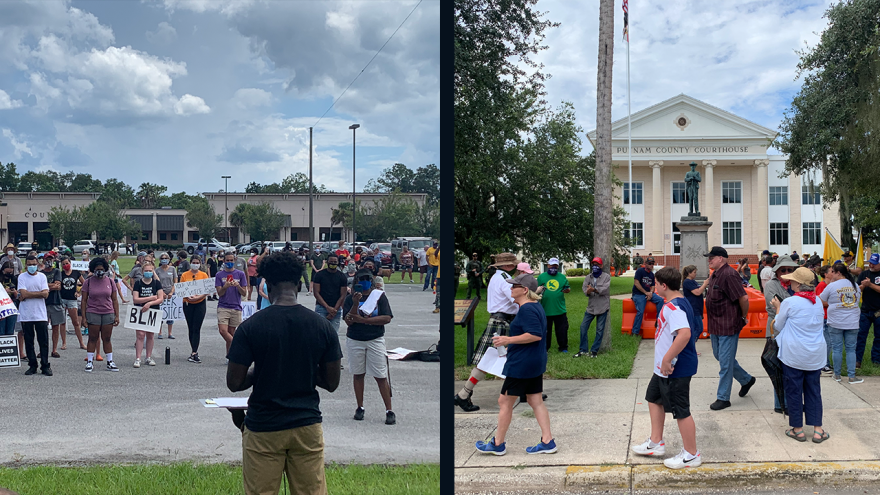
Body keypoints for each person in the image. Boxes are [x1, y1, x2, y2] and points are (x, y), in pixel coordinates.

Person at [227, 251, 342, 495]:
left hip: (264, 426)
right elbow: (332, 382)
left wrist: (264, 369)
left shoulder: (250, 327)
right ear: (300, 284)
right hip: (306, 424)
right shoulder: (322, 326)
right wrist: (305, 368)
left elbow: (235, 383)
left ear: (267, 285)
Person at [475, 272, 555, 455]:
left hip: (522, 365)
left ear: (525, 290)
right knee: (535, 400)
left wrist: (507, 340)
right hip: (534, 361)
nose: (510, 289)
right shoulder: (535, 306)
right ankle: (547, 441)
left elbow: (535, 334)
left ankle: (497, 444)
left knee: (504, 401)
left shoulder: (527, 309)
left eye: (514, 286)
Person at [631, 266, 702, 469]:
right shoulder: (675, 301)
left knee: (681, 410)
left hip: (675, 367)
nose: (653, 286)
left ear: (663, 285)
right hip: (664, 368)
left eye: (655, 283)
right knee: (653, 398)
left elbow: (685, 334)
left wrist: (667, 359)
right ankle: (655, 442)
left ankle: (691, 454)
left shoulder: (674, 307)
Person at [770, 267, 829, 443]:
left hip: (794, 354)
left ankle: (798, 429)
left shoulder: (790, 302)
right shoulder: (817, 301)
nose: (791, 283)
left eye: (793, 281)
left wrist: (778, 308)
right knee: (814, 391)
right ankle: (818, 430)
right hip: (815, 354)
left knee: (794, 392)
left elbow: (778, 325)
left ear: (799, 284)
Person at [455, 253, 519, 412]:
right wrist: (533, 297)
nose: (515, 266)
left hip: (500, 320)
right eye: (512, 263)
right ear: (507, 265)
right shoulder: (504, 278)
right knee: (489, 361)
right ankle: (463, 394)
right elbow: (514, 298)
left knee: (492, 360)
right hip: (502, 322)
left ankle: (464, 394)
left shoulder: (498, 276)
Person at [704, 246, 755, 410]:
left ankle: (723, 397)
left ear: (721, 258)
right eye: (709, 257)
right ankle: (746, 379)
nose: (709, 260)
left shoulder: (729, 274)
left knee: (725, 363)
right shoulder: (715, 275)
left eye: (712, 257)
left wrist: (742, 316)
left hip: (728, 325)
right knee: (720, 355)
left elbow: (744, 298)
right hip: (715, 325)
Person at [342, 267, 395, 424]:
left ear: (371, 280)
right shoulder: (349, 298)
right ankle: (360, 407)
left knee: (380, 375)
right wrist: (355, 303)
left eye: (367, 279)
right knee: (358, 374)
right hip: (355, 339)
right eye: (361, 279)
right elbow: (348, 320)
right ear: (356, 281)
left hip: (375, 339)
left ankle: (389, 410)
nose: (364, 282)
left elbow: (387, 317)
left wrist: (365, 321)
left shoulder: (378, 296)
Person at [820, 263, 862, 383]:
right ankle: (852, 376)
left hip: (835, 321)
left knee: (837, 349)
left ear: (838, 273)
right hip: (852, 321)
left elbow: (822, 299)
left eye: (833, 271)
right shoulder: (855, 286)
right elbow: (856, 301)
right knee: (851, 349)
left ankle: (837, 375)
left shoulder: (832, 286)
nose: (831, 274)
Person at [81, 257, 120, 372]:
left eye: (101, 269)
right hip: (93, 312)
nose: (99, 271)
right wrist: (84, 317)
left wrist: (116, 315)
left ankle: (110, 361)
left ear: (105, 269)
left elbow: (114, 299)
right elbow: (83, 300)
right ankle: (89, 361)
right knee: (93, 338)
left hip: (108, 312)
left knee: (107, 338)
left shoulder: (110, 281)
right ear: (93, 270)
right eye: (97, 269)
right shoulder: (88, 282)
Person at [18, 256, 51, 375]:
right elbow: (23, 293)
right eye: (29, 264)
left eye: (34, 264)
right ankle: (32, 365)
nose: (32, 266)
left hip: (40, 314)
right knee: (29, 341)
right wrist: (39, 293)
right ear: (26, 265)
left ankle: (45, 365)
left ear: (37, 264)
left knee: (43, 341)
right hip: (26, 314)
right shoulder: (22, 277)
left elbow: (46, 294)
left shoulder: (42, 276)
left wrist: (29, 294)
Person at [216, 251, 248, 360]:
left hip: (236, 306)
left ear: (234, 260)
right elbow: (220, 293)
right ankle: (238, 346)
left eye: (231, 260)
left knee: (231, 332)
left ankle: (230, 356)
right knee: (223, 331)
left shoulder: (240, 274)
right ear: (224, 261)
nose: (229, 262)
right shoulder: (219, 275)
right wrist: (225, 286)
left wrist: (238, 285)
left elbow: (244, 293)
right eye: (227, 260)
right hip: (223, 306)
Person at [576, 257, 611, 358]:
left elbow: (605, 290)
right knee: (583, 327)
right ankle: (583, 350)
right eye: (593, 264)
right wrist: (588, 291)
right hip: (591, 307)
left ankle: (594, 351)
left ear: (601, 266)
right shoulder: (588, 277)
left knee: (599, 330)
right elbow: (584, 289)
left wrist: (594, 290)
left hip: (602, 307)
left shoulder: (606, 277)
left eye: (597, 264)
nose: (595, 266)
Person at [132, 261, 164, 368]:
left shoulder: (156, 283)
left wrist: (149, 303)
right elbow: (135, 299)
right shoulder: (138, 283)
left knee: (150, 335)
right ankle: (138, 358)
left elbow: (160, 299)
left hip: (153, 311)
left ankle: (148, 357)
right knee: (140, 335)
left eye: (150, 271)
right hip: (140, 312)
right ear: (142, 271)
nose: (148, 272)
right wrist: (150, 298)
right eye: (146, 271)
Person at [178, 255, 209, 364]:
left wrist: (198, 297)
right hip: (188, 303)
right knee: (190, 327)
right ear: (190, 263)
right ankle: (193, 350)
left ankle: (195, 352)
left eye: (197, 262)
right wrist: (188, 296)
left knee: (197, 327)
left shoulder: (203, 275)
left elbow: (207, 290)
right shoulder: (185, 275)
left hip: (200, 303)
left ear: (200, 264)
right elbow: (181, 289)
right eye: (194, 262)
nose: (195, 264)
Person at [537, 258, 570, 353]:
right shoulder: (541, 277)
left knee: (562, 330)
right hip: (545, 309)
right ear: (548, 266)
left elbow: (567, 288)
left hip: (559, 309)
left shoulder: (562, 277)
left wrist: (567, 290)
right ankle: (545, 348)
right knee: (546, 331)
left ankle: (563, 347)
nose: (554, 267)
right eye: (552, 265)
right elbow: (537, 290)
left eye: (556, 266)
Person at [312, 254, 348, 333]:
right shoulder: (319, 275)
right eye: (331, 262)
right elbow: (316, 293)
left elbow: (343, 295)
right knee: (320, 334)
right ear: (327, 262)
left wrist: (335, 310)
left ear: (338, 262)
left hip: (336, 309)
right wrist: (327, 307)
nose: (333, 263)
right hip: (321, 308)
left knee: (333, 335)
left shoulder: (342, 276)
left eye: (335, 262)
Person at [856, 253, 880, 368]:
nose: (871, 265)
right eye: (870, 262)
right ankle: (857, 360)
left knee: (878, 337)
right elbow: (857, 289)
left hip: (879, 311)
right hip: (865, 311)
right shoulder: (864, 274)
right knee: (861, 335)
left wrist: (870, 284)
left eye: (874, 264)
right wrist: (863, 286)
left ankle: (876, 360)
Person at [631, 257, 664, 337]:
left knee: (660, 300)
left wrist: (651, 293)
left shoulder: (652, 275)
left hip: (648, 293)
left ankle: (658, 320)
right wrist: (646, 292)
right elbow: (636, 283)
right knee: (640, 311)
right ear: (645, 264)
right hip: (638, 294)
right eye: (649, 263)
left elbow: (653, 286)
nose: (651, 265)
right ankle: (635, 332)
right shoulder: (640, 271)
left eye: (653, 263)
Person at [40, 252, 64, 358]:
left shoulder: (57, 271)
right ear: (44, 261)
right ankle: (43, 349)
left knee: (56, 326)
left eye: (51, 259)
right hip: (43, 302)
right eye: (47, 259)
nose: (49, 261)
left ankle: (54, 349)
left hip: (55, 301)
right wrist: (51, 285)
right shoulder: (40, 273)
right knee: (42, 328)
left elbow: (58, 286)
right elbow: (39, 287)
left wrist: (46, 286)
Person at [59, 257, 86, 351]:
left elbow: (84, 284)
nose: (65, 265)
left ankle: (81, 343)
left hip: (72, 299)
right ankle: (64, 343)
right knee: (62, 322)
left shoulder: (76, 273)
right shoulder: (61, 274)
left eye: (67, 263)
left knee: (75, 322)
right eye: (63, 264)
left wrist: (79, 293)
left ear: (70, 263)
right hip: (62, 299)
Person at [814, 265, 834, 375]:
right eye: (831, 271)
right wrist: (834, 303)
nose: (834, 272)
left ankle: (826, 362)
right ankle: (824, 364)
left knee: (830, 341)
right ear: (825, 274)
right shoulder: (822, 285)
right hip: (824, 317)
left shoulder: (831, 285)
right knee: (827, 341)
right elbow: (820, 301)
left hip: (830, 317)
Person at [0, 262, 22, 357]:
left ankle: (8, 353)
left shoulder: (15, 279)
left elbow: (18, 295)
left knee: (10, 330)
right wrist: (5, 291)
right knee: (1, 330)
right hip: (2, 306)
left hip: (12, 305)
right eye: (7, 272)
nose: (8, 274)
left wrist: (14, 292)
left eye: (10, 272)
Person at [156, 252, 178, 340]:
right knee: (160, 312)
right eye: (162, 258)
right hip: (161, 293)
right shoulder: (157, 270)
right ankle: (160, 332)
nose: (164, 260)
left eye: (166, 258)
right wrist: (162, 293)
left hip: (171, 293)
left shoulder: (172, 269)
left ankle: (170, 333)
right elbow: (156, 283)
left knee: (170, 313)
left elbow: (175, 281)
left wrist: (171, 292)